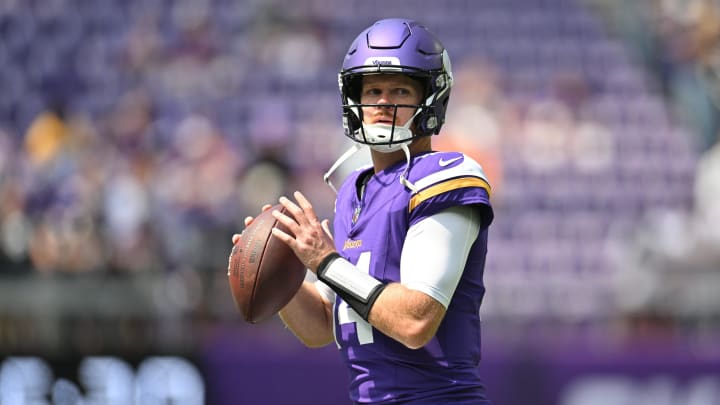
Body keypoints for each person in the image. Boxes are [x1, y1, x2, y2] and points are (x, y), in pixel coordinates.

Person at [234, 18, 494, 404]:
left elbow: (415, 321)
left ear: (430, 98)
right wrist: (279, 269)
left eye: (400, 89)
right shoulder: (353, 191)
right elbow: (322, 324)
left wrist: (325, 262)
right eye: (372, 90)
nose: (383, 103)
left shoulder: (448, 176)